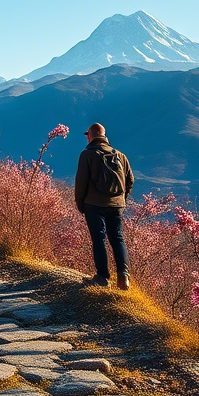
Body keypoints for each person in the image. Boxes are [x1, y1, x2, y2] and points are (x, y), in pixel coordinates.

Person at [74, 123, 134, 290]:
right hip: (117, 205)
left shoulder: (87, 155)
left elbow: (81, 182)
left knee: (99, 239)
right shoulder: (120, 155)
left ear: (89, 136)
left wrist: (80, 203)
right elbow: (130, 180)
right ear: (104, 136)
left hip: (94, 205)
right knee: (117, 238)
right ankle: (123, 277)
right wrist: (121, 199)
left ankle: (102, 277)